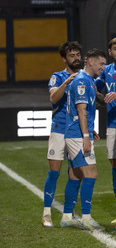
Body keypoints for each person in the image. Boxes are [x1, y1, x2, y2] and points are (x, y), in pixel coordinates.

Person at [60, 48, 107, 231]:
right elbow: (80, 109)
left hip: (75, 133)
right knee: (91, 173)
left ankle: (66, 217)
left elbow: (83, 111)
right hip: (77, 136)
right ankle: (86, 218)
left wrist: (90, 129)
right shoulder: (82, 80)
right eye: (101, 63)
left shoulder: (87, 80)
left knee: (75, 174)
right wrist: (86, 136)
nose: (103, 67)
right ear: (89, 61)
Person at [42, 41, 82, 227]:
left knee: (75, 173)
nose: (76, 58)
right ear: (64, 58)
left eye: (78, 55)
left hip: (77, 131)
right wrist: (66, 82)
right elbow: (53, 97)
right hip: (59, 129)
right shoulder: (57, 77)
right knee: (54, 173)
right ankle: (47, 214)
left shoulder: (84, 77)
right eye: (72, 55)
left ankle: (69, 212)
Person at [94, 37, 116, 224]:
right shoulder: (106, 71)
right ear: (110, 52)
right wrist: (103, 98)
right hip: (112, 126)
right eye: (115, 49)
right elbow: (93, 89)